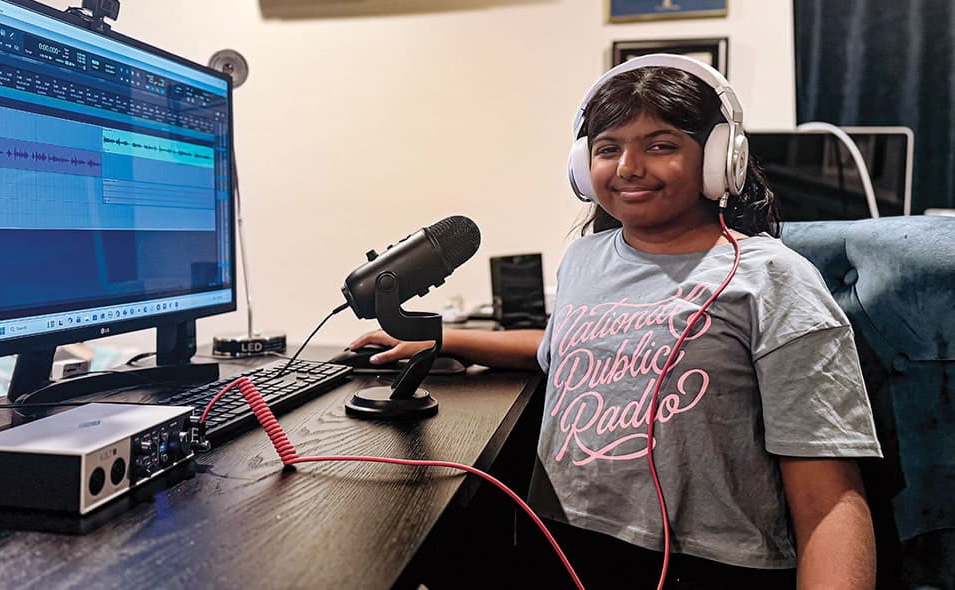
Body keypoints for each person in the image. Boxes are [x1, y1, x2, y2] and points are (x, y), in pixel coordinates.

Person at [349, 55, 881, 589]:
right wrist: (442, 337)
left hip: (704, 564)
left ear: (722, 159)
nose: (629, 167)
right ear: (583, 166)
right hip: (559, 539)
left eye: (661, 145)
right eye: (608, 148)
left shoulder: (776, 281)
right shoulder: (585, 259)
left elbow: (829, 496)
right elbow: (582, 343)